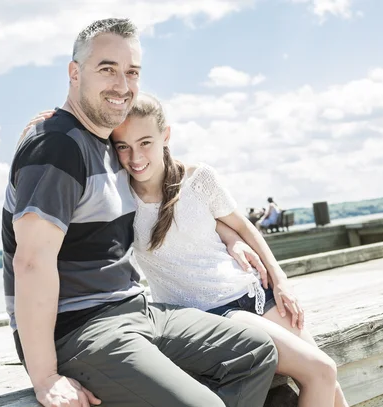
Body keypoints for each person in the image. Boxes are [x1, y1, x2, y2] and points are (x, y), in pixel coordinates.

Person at [3, 18, 278, 407]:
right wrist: (45, 376)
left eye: (131, 72)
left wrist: (230, 236)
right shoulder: (57, 148)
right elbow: (31, 261)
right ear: (74, 74)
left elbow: (173, 196)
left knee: (255, 352)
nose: (122, 85)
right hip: (81, 330)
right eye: (107, 69)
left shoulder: (109, 144)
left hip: (136, 310)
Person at [22, 93, 351, 407]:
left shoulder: (199, 177)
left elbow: (240, 226)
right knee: (320, 370)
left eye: (145, 143)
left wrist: (280, 281)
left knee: (327, 378)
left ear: (166, 135)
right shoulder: (119, 198)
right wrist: (49, 132)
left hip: (255, 291)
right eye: (123, 147)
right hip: (210, 313)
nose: (135, 158)